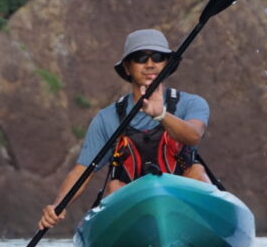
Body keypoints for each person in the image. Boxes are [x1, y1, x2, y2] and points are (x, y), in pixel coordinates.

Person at [37, 28, 212, 230]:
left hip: (183, 199)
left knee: (198, 172)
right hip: (130, 205)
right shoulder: (107, 118)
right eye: (140, 58)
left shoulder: (191, 104)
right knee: (114, 186)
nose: (150, 64)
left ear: (167, 64)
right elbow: (82, 171)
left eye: (158, 57)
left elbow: (193, 136)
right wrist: (58, 205)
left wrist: (161, 115)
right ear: (127, 68)